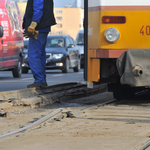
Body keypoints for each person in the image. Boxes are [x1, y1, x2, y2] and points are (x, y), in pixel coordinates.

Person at [23, 0, 56, 88]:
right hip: (43, 27)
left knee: (33, 54)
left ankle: (39, 80)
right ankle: (42, 80)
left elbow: (38, 9)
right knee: (40, 54)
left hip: (38, 28)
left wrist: (33, 25)